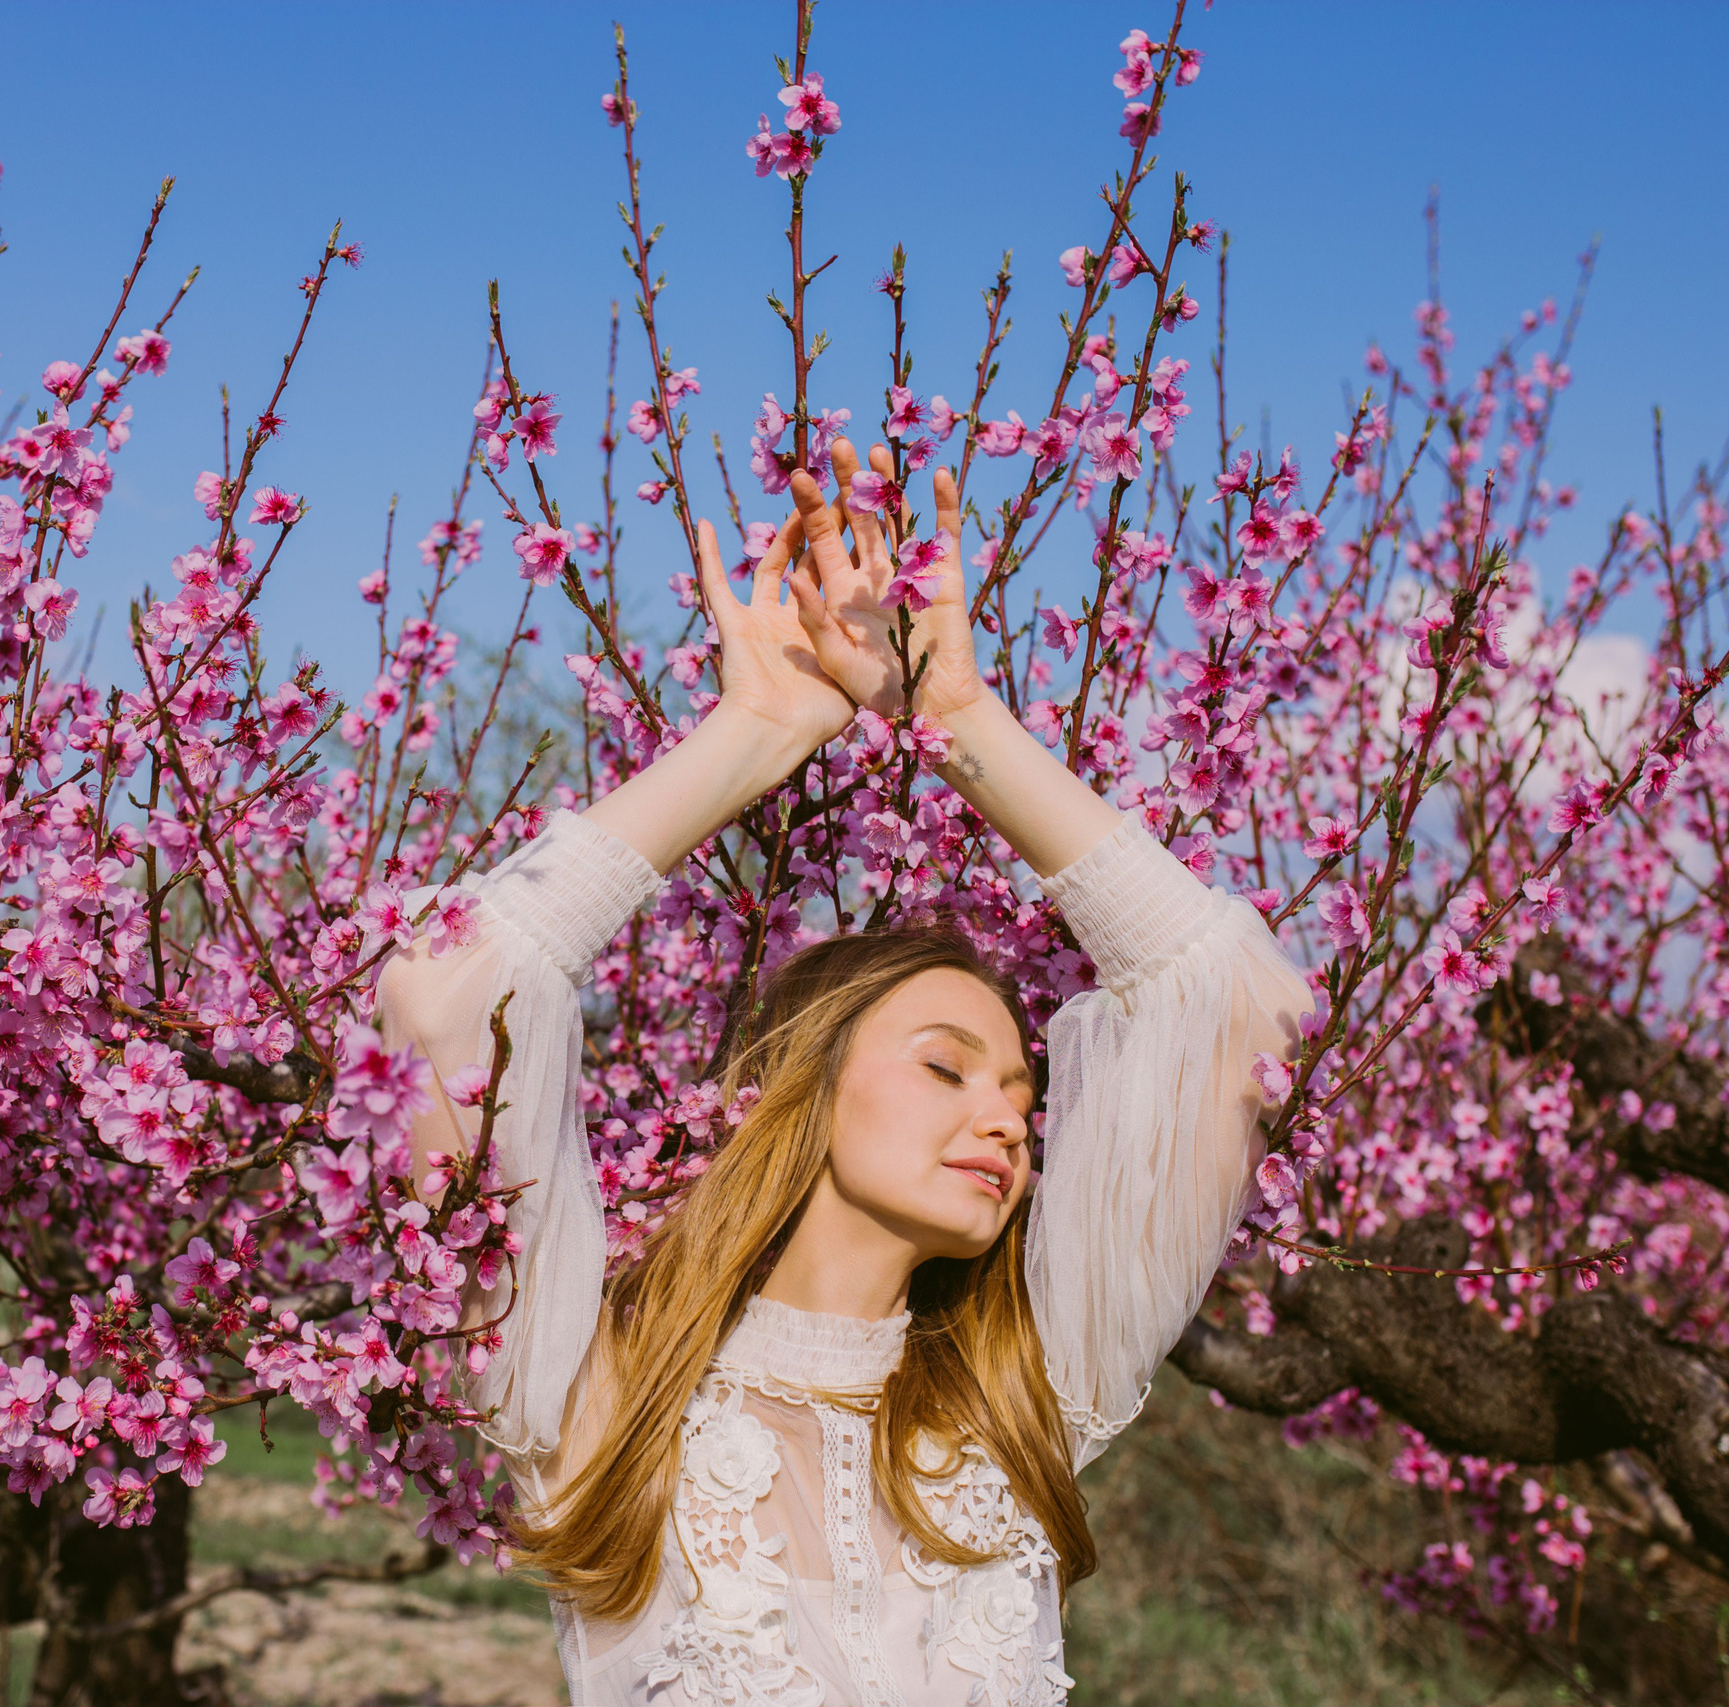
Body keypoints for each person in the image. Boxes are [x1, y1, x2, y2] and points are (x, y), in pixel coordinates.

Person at [376, 440, 1314, 1706]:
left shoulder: (1027, 1402)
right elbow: (442, 994)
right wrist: (755, 736)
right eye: (947, 1067)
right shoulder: (597, 1399)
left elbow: (1242, 1010)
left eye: (1026, 1097)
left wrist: (961, 725)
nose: (1007, 1120)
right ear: (790, 1088)